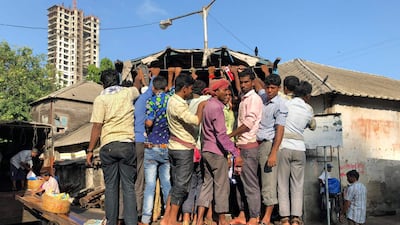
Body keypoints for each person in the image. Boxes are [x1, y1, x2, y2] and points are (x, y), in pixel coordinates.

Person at [86, 69, 140, 225]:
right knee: (128, 187)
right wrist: (138, 76)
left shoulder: (100, 99)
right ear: (118, 80)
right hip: (126, 144)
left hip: (108, 145)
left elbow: (97, 125)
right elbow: (137, 86)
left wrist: (90, 150)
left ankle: (111, 222)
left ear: (102, 84)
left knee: (111, 187)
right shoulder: (128, 93)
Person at [196, 79, 243, 225]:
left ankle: (199, 219)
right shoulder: (217, 108)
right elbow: (221, 135)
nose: (227, 93)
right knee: (222, 187)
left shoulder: (208, 105)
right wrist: (235, 153)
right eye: (224, 90)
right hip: (217, 152)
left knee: (206, 185)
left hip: (206, 150)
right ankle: (222, 220)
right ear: (216, 92)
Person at [161, 73, 206, 225]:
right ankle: (172, 219)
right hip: (182, 150)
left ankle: (166, 218)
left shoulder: (172, 100)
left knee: (175, 185)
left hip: (175, 147)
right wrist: (200, 106)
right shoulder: (178, 104)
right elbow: (195, 120)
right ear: (185, 89)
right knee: (181, 187)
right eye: (191, 89)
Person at [277, 81, 315, 225]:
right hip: (300, 148)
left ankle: (284, 218)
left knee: (282, 184)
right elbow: (312, 125)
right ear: (307, 95)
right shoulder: (309, 109)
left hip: (284, 146)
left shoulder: (286, 104)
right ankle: (296, 218)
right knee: (297, 185)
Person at [229, 68, 263, 225]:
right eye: (241, 82)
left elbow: (248, 124)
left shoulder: (254, 99)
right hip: (240, 147)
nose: (242, 85)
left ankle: (254, 217)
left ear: (253, 82)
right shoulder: (244, 97)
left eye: (246, 82)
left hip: (249, 147)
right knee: (239, 184)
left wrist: (231, 134)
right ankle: (242, 214)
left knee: (250, 184)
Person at [254, 75, 288, 225]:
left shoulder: (280, 105)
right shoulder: (263, 96)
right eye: (268, 87)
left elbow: (280, 130)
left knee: (268, 182)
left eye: (272, 88)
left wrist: (273, 153)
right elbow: (257, 85)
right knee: (259, 181)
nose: (269, 90)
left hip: (269, 145)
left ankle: (267, 218)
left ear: (278, 88)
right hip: (257, 144)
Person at [141, 76, 172, 225]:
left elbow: (149, 122)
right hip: (166, 147)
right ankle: (168, 215)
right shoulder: (170, 100)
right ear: (165, 88)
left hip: (151, 147)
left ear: (153, 88)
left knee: (150, 185)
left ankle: (146, 218)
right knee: (167, 183)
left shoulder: (151, 101)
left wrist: (145, 124)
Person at [182, 80, 210, 225]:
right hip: (200, 148)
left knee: (189, 184)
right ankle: (197, 218)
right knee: (201, 183)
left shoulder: (185, 103)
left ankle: (186, 216)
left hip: (187, 148)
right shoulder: (205, 100)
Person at [135, 71, 156, 223]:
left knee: (132, 180)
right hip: (144, 142)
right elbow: (152, 89)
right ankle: (139, 213)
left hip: (132, 141)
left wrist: (141, 77)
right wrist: (154, 76)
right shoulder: (150, 99)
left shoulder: (138, 100)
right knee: (142, 182)